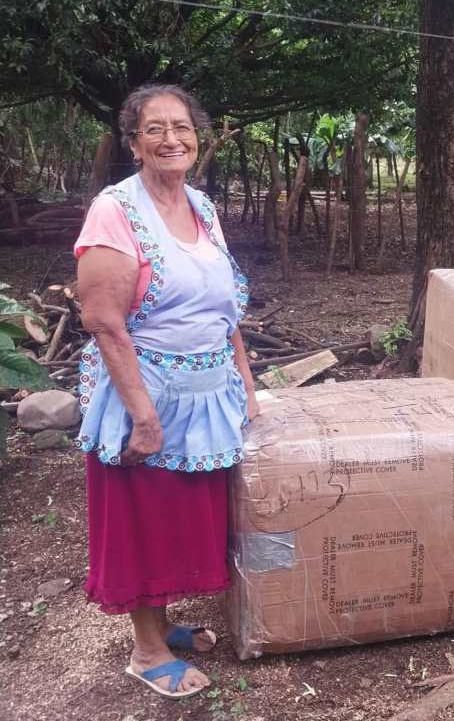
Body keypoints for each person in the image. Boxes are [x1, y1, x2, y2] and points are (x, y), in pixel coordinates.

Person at [73, 84, 258, 699]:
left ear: (197, 137)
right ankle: (146, 650)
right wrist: (143, 417)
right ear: (133, 144)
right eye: (154, 129)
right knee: (145, 518)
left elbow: (224, 308)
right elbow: (103, 321)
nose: (171, 139)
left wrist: (245, 384)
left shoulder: (201, 206)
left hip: (206, 392)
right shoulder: (114, 211)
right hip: (146, 393)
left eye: (182, 127)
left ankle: (163, 624)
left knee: (181, 516)